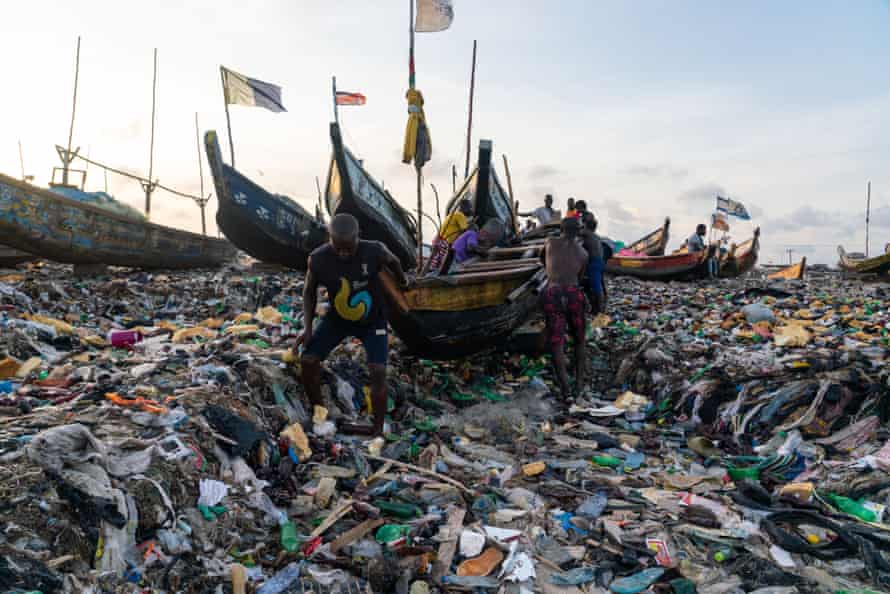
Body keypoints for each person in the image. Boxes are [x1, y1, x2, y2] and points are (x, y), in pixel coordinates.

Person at [296, 214, 408, 436]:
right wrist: (307, 328)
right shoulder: (317, 259)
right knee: (308, 360)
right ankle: (320, 414)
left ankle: (376, 428)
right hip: (338, 319)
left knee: (378, 370)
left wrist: (402, 282)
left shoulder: (375, 250)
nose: (343, 253)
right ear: (329, 239)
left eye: (349, 248)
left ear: (359, 237)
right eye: (338, 248)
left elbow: (394, 262)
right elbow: (309, 292)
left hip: (372, 319)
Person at [541, 217, 588, 400]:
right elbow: (580, 276)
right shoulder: (583, 253)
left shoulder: (550, 242)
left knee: (556, 342)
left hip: (552, 293)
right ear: (578, 231)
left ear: (561, 228)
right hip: (573, 293)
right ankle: (579, 384)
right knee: (579, 340)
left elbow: (542, 260)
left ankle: (566, 390)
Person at [426, 199, 473, 273]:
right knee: (441, 266)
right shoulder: (460, 215)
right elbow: (465, 230)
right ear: (464, 207)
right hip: (445, 242)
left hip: (439, 240)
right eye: (470, 207)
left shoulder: (452, 214)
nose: (471, 209)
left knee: (434, 265)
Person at [581, 212, 605, 315]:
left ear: (586, 226)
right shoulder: (596, 236)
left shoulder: (587, 233)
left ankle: (600, 310)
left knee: (596, 287)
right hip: (599, 262)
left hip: (594, 262)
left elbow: (575, 231)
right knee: (593, 285)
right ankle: (595, 308)